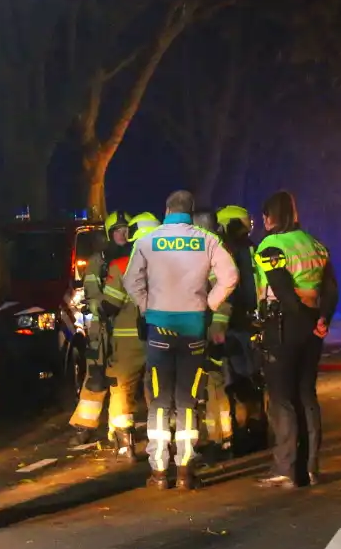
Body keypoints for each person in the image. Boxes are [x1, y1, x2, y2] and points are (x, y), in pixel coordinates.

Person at [122, 190, 238, 490]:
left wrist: (148, 306)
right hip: (193, 330)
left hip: (159, 329)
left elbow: (130, 280)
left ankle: (159, 472)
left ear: (166, 209)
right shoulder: (207, 240)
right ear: (191, 211)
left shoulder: (149, 240)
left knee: (159, 401)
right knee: (187, 401)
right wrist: (208, 304)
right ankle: (185, 470)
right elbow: (230, 276)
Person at [254, 191, 339, 488]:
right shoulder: (315, 244)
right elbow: (331, 289)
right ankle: (311, 466)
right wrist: (322, 320)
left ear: (269, 217)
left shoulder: (271, 246)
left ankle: (286, 467)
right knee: (306, 394)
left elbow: (282, 290)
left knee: (281, 397)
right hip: (312, 327)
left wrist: (301, 317)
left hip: (283, 325)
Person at [91, 211, 161, 461]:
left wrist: (97, 309)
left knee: (122, 391)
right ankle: (164, 446)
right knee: (158, 391)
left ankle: (125, 446)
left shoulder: (121, 265)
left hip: (128, 340)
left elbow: (111, 304)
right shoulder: (170, 263)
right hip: (161, 337)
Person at [68, 211, 135, 447]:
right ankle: (84, 425)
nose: (123, 234)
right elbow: (91, 292)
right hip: (102, 326)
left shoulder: (135, 256)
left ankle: (118, 430)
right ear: (109, 234)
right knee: (95, 374)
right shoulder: (99, 260)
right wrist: (102, 309)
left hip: (125, 328)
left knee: (120, 380)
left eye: (126, 230)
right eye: (118, 230)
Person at [217, 205, 266, 454]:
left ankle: (240, 434)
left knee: (233, 382)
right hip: (249, 323)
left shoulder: (231, 252)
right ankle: (255, 429)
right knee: (250, 380)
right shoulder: (252, 249)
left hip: (233, 324)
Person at [191, 208, 235, 459]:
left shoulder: (210, 253)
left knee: (211, 384)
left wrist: (216, 328)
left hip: (205, 332)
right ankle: (218, 438)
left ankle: (220, 439)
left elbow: (224, 296)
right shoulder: (213, 251)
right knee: (208, 385)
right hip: (199, 330)